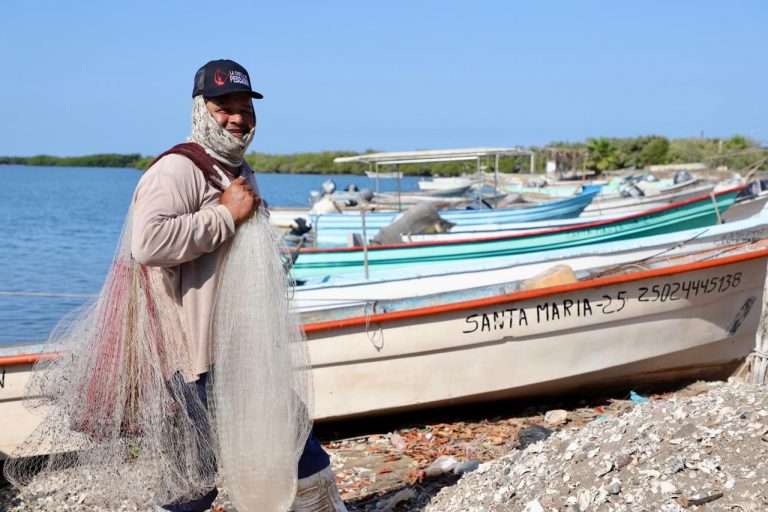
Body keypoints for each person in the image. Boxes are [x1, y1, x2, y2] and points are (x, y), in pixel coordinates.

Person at [131, 59, 346, 512]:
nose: (237, 117)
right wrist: (225, 215)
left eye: (245, 107)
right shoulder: (177, 170)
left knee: (284, 437)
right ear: (199, 109)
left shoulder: (238, 168)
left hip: (242, 346)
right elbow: (147, 243)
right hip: (198, 355)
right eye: (223, 106)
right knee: (199, 477)